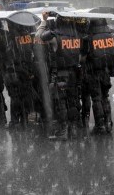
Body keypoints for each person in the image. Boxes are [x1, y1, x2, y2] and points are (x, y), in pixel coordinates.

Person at [36, 11, 82, 140]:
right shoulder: (76, 35)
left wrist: (43, 21)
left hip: (61, 74)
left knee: (61, 103)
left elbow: (38, 37)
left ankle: (64, 131)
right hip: (74, 73)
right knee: (73, 102)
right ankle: (73, 130)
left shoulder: (55, 36)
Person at [81, 18, 114, 134]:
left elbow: (83, 57)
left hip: (93, 72)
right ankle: (108, 123)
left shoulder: (89, 37)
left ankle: (100, 125)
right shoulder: (111, 36)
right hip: (105, 71)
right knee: (105, 97)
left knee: (96, 98)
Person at [3, 21, 35, 130]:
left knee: (15, 98)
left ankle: (15, 121)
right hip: (26, 70)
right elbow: (30, 52)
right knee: (26, 97)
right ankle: (25, 120)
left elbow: (10, 54)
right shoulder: (28, 35)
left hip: (15, 71)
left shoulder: (11, 36)